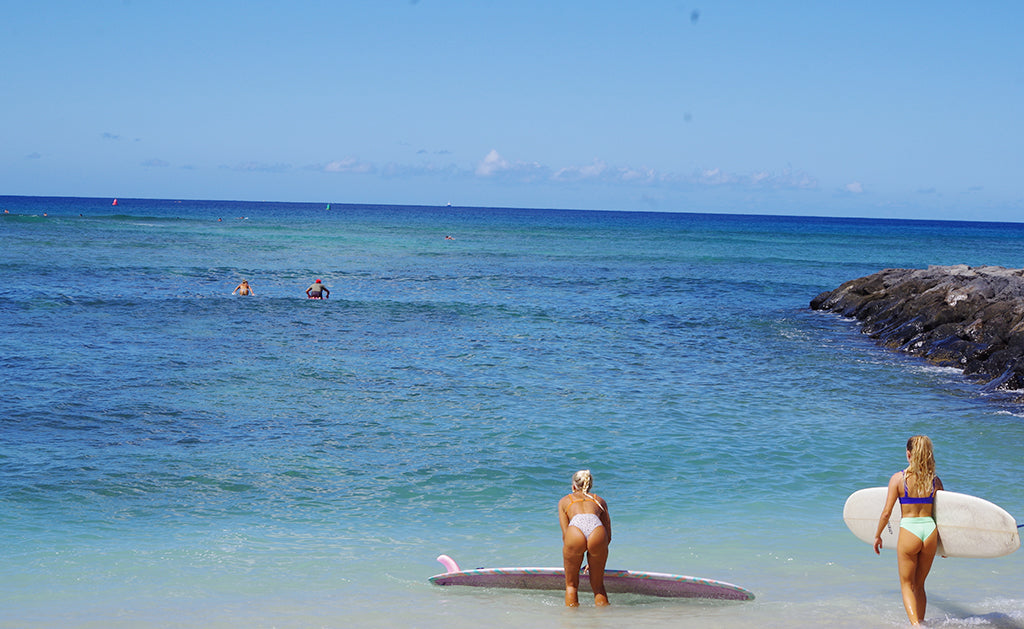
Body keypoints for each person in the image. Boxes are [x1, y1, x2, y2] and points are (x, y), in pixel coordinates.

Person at [873, 435, 944, 625]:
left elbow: (886, 512)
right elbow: (943, 515)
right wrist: (945, 546)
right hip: (929, 532)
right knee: (920, 586)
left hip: (909, 531)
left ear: (909, 454)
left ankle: (916, 626)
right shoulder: (935, 481)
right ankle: (921, 622)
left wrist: (878, 535)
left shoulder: (898, 479)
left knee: (906, 585)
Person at [557, 469, 611, 607]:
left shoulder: (564, 501)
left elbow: (565, 534)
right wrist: (593, 559)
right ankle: (604, 620)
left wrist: (574, 555)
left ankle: (572, 622)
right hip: (597, 530)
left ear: (573, 486)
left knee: (571, 585)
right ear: (590, 485)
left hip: (575, 530)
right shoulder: (600, 501)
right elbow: (608, 535)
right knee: (598, 586)